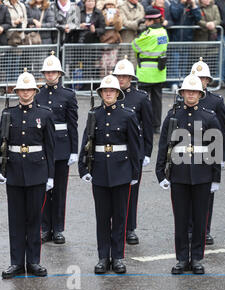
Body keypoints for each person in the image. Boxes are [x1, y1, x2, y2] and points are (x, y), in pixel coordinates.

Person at [155, 73, 221, 275]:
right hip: (179, 173)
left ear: (200, 94)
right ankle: (182, 258)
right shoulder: (173, 115)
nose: (191, 94)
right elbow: (164, 145)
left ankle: (197, 258)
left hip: (202, 173)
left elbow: (215, 148)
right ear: (182, 93)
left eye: (194, 91)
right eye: (187, 91)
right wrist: (160, 173)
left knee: (200, 218)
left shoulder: (209, 117)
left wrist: (216, 178)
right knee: (181, 219)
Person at [78, 74, 140, 274]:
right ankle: (103, 257)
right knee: (102, 217)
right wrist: (83, 168)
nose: (108, 93)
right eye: (105, 90)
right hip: (100, 171)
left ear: (117, 93)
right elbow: (86, 142)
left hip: (121, 171)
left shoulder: (128, 115)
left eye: (111, 90)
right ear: (101, 93)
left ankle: (118, 257)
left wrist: (134, 172)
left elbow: (134, 146)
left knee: (120, 217)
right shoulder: (94, 114)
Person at [1, 69, 55, 279]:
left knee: (34, 219)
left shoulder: (45, 114)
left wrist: (50, 175)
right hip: (14, 171)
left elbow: (50, 147)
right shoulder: (8, 114)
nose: (25, 93)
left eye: (28, 89)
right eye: (21, 90)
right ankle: (16, 263)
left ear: (34, 90)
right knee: (15, 220)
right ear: (17, 91)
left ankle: (33, 261)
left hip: (37, 172)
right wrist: (1, 169)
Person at [36, 52, 78, 245]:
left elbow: (72, 124)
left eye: (54, 72)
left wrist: (74, 150)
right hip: (43, 147)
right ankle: (45, 228)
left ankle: (58, 229)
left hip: (62, 146)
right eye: (47, 72)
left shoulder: (68, 95)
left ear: (59, 74)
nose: (50, 75)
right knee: (44, 188)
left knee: (60, 190)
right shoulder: (38, 95)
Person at [113, 56, 153, 245]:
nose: (121, 79)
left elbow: (148, 126)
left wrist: (147, 152)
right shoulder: (109, 95)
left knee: (131, 191)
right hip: (114, 151)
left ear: (131, 78)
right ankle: (115, 226)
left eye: (125, 76)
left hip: (134, 151)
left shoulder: (141, 98)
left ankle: (129, 228)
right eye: (118, 76)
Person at [190, 57, 225, 245]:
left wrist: (220, 156)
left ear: (207, 81)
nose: (200, 81)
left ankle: (205, 229)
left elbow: (220, 131)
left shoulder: (216, 101)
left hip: (208, 153)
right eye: (196, 77)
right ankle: (189, 229)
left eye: (203, 78)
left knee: (207, 197)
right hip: (187, 154)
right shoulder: (184, 99)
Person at [132, 7, 168, 134]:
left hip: (146, 73)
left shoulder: (149, 33)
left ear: (151, 21)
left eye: (147, 20)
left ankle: (143, 124)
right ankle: (156, 126)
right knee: (157, 101)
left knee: (142, 100)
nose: (145, 23)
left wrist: (138, 36)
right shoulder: (163, 32)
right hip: (159, 72)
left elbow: (135, 45)